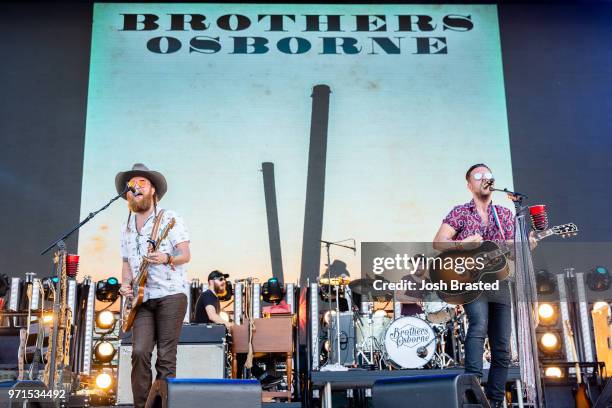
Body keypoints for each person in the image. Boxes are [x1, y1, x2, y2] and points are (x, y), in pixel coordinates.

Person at [433, 163, 534, 408]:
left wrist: (527, 243)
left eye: (488, 175)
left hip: (499, 282)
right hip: (470, 281)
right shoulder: (460, 212)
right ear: (469, 185)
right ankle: (473, 394)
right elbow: (438, 242)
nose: (485, 178)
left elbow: (513, 247)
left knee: (502, 347)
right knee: (478, 326)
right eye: (478, 176)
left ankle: (495, 401)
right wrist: (463, 244)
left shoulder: (505, 214)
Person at [117, 163, 191, 408]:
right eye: (132, 185)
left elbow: (185, 254)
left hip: (171, 295)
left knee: (166, 359)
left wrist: (167, 258)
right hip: (142, 298)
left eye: (142, 183)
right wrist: (125, 284)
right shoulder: (127, 228)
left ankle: (163, 405)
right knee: (139, 352)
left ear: (153, 192)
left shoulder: (169, 218)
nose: (135, 188)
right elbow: (126, 263)